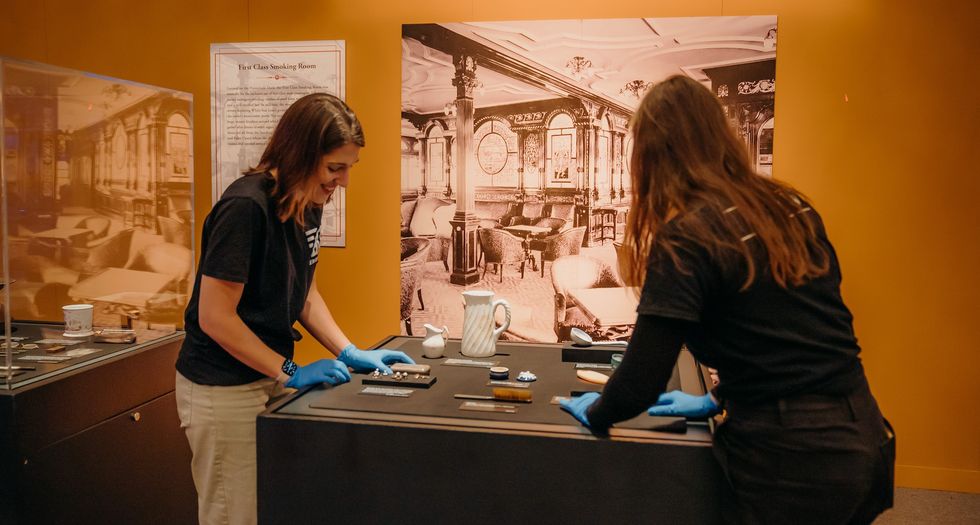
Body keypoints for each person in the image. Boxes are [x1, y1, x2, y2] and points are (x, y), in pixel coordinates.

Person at [559, 75, 894, 524]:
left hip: (793, 459)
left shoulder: (686, 235)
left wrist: (598, 411)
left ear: (651, 156)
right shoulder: (789, 206)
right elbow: (785, 331)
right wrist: (718, 396)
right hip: (863, 434)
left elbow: (641, 381)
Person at [175, 93, 414, 525]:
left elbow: (304, 293)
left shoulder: (308, 202)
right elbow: (215, 317)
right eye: (335, 168)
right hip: (221, 386)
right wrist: (291, 371)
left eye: (349, 168)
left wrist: (349, 350)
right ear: (302, 153)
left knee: (280, 503)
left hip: (265, 375)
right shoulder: (245, 207)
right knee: (236, 515)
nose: (343, 181)